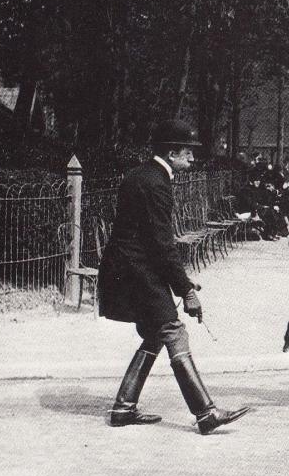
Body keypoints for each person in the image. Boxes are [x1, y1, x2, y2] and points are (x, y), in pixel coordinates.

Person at [98, 119, 251, 434]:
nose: (192, 159)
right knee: (174, 330)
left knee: (156, 333)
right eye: (187, 153)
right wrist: (186, 291)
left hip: (128, 269)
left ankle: (123, 408)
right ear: (170, 153)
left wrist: (181, 282)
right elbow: (162, 244)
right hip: (138, 271)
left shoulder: (140, 176)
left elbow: (151, 241)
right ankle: (206, 412)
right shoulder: (156, 183)